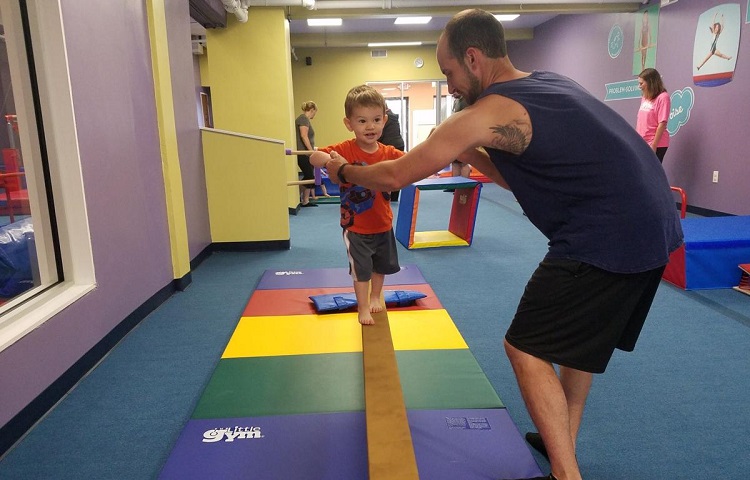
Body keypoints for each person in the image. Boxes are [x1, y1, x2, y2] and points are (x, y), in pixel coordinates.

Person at [323, 9, 683, 480]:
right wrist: (471, 154)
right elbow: (521, 182)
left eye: (448, 71)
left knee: (524, 347)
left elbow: (395, 174)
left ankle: (566, 473)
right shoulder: (550, 83)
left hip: (603, 236)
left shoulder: (486, 111)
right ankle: (564, 447)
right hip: (657, 226)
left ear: (472, 58)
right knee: (580, 345)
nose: (448, 84)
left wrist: (342, 171)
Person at [310, 85, 404, 326]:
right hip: (356, 227)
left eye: (375, 120)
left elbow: (410, 162)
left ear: (384, 120)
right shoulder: (345, 149)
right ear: (349, 123)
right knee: (361, 270)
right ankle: (363, 307)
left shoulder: (388, 152)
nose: (370, 126)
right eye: (362, 121)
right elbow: (314, 157)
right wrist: (332, 160)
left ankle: (375, 296)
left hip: (383, 223)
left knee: (380, 266)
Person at [636, 68, 670, 163]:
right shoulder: (645, 97)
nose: (640, 86)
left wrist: (653, 145)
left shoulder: (663, 97)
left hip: (656, 144)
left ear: (650, 82)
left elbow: (662, 123)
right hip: (642, 142)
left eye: (641, 83)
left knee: (651, 173)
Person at [377, 106, 405, 201]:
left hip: (389, 144)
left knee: (387, 170)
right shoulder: (393, 116)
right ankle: (394, 197)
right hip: (399, 144)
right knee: (397, 171)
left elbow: (380, 134)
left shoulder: (386, 118)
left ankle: (388, 195)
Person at [295, 101, 319, 207]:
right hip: (303, 153)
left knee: (309, 176)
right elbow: (304, 136)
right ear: (312, 110)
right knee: (309, 176)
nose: (315, 114)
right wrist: (311, 152)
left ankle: (305, 200)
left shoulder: (305, 120)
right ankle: (297, 196)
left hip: (305, 153)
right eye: (315, 112)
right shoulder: (303, 119)